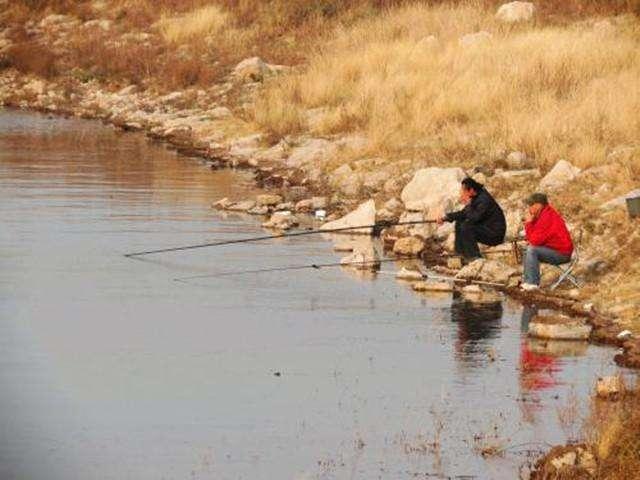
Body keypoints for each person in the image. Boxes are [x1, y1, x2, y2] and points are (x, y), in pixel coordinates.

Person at [438, 177, 506, 261]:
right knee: (459, 222)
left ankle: (474, 258)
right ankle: (460, 254)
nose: (462, 193)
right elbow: (463, 213)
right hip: (486, 229)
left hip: (495, 234)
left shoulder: (484, 200)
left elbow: (474, 218)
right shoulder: (476, 197)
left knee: (466, 227)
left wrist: (468, 204)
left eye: (464, 191)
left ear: (471, 190)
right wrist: (446, 218)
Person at [520, 193, 573, 291]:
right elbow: (532, 238)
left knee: (532, 250)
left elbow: (534, 241)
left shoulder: (546, 217)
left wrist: (528, 223)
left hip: (562, 254)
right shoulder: (542, 215)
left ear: (539, 205)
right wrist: (531, 223)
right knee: (527, 249)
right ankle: (527, 281)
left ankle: (532, 283)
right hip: (555, 250)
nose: (529, 208)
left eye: (531, 205)